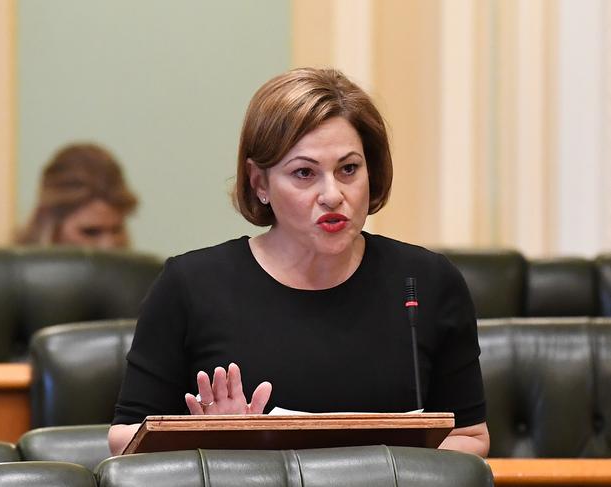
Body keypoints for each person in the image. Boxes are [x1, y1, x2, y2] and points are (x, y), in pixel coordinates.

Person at [108, 68, 489, 456]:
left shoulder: (428, 281)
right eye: (304, 173)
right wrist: (217, 441)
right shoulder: (189, 286)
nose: (332, 195)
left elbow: (471, 437)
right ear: (260, 183)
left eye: (349, 169)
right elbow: (124, 441)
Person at [16, 143, 138, 249]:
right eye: (91, 232)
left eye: (116, 230)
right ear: (51, 228)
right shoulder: (11, 273)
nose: (109, 245)